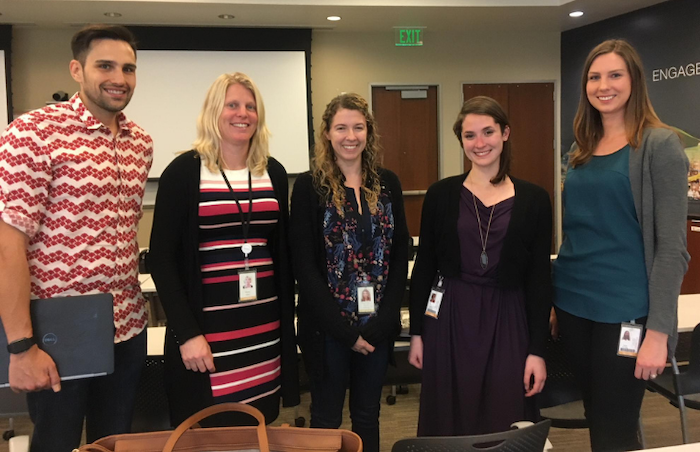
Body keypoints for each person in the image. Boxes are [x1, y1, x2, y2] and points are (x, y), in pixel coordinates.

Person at [0, 25, 152, 451]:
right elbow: (7, 245)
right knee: (57, 443)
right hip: (57, 335)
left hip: (126, 326)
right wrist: (21, 347)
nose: (119, 78)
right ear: (76, 70)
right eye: (105, 65)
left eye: (128, 68)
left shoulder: (140, 143)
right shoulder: (33, 133)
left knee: (115, 441)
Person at [552, 39, 689, 451]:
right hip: (575, 308)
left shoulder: (659, 146)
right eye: (594, 77)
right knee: (596, 415)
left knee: (616, 428)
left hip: (626, 314)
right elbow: (574, 232)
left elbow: (672, 249)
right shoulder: (580, 148)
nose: (603, 85)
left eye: (615, 75)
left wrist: (659, 333)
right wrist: (558, 301)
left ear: (634, 81)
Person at [148, 72, 299, 426]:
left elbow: (280, 251)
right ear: (214, 112)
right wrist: (187, 333)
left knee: (258, 426)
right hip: (208, 332)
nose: (242, 113)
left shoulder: (271, 171)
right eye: (232, 105)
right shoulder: (184, 172)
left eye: (250, 106)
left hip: (264, 328)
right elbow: (162, 259)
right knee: (210, 431)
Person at [408, 96, 552, 436]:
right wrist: (416, 332)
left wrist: (537, 351)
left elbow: (539, 279)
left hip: (508, 319)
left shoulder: (534, 199)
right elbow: (425, 266)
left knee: (505, 414)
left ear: (505, 133)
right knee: (449, 417)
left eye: (488, 132)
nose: (480, 143)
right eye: (470, 135)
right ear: (461, 140)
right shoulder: (441, 194)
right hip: (450, 320)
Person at [290, 93, 409, 452]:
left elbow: (400, 253)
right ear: (327, 133)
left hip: (377, 327)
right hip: (327, 331)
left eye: (358, 127)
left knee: (367, 416)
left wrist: (385, 319)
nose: (350, 136)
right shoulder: (310, 188)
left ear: (369, 132)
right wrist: (343, 332)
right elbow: (304, 266)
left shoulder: (387, 183)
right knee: (326, 419)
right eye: (341, 128)